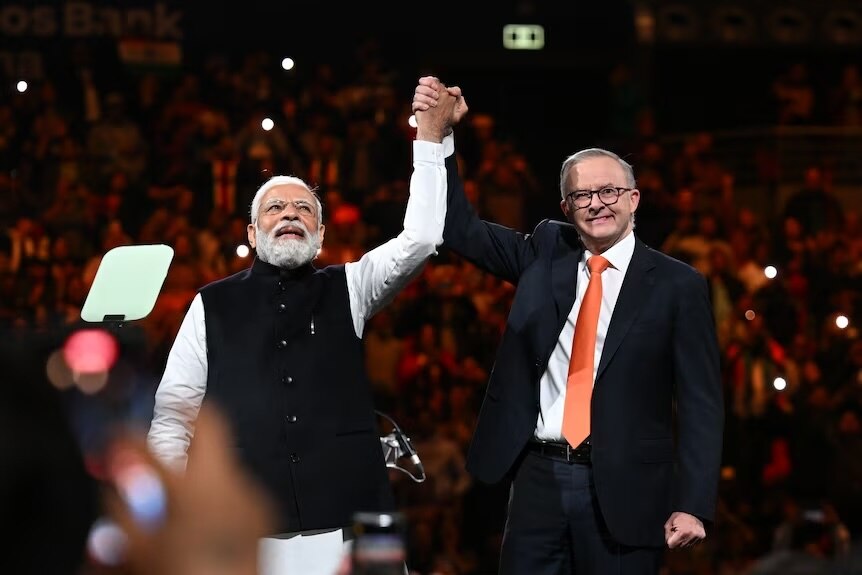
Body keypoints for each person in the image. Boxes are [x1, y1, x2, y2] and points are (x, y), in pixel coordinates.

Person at [412, 77, 724, 574]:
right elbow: (460, 229)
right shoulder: (545, 252)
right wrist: (442, 137)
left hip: (628, 487)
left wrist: (693, 501)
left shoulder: (677, 285)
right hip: (539, 477)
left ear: (634, 199)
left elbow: (702, 402)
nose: (597, 203)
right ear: (566, 209)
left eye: (609, 191)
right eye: (583, 196)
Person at [146, 92, 457, 575]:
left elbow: (420, 239)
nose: (289, 213)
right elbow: (173, 418)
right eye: (274, 208)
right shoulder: (210, 304)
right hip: (248, 526)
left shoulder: (350, 285)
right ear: (252, 233)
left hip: (361, 519)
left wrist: (431, 140)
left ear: (321, 233)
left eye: (303, 208)